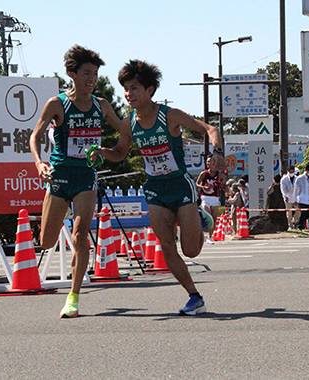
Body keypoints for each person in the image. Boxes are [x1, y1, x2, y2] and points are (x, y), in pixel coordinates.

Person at [30, 45, 132, 318]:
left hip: (86, 176)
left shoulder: (102, 105)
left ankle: (73, 297)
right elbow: (35, 136)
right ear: (72, 74)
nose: (92, 79)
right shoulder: (57, 104)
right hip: (60, 176)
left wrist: (118, 148)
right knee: (47, 241)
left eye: (96, 74)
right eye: (87, 73)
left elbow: (126, 129)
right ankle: (56, 235)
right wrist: (40, 163)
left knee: (80, 234)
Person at [118, 59, 224, 316]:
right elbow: (119, 152)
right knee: (166, 246)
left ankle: (201, 218)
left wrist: (218, 151)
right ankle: (194, 296)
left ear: (149, 90)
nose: (128, 94)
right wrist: (100, 153)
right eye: (125, 89)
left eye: (134, 88)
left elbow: (210, 128)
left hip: (181, 186)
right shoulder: (128, 122)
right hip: (155, 189)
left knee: (190, 250)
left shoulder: (169, 115)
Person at [197, 154, 226, 244]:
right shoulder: (204, 174)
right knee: (207, 215)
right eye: (208, 162)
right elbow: (196, 184)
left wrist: (219, 184)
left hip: (215, 197)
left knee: (214, 218)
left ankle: (210, 237)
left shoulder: (220, 174)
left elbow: (224, 186)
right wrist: (203, 187)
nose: (209, 163)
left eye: (211, 161)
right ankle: (201, 234)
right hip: (205, 197)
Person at [293, 164, 309, 230]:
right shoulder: (299, 178)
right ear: (306, 170)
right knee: (303, 213)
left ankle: (298, 223)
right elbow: (295, 189)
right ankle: (299, 226)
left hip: (308, 199)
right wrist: (295, 199)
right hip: (301, 199)